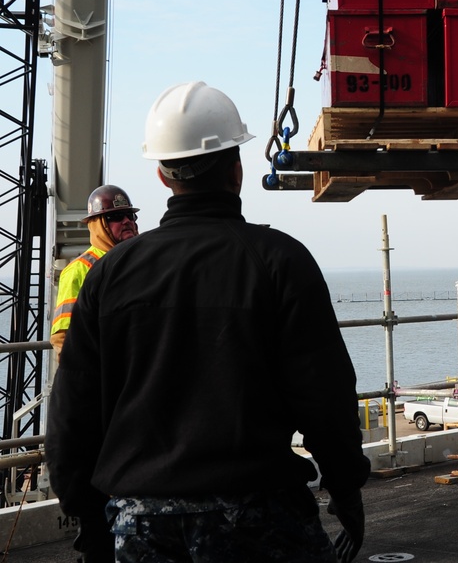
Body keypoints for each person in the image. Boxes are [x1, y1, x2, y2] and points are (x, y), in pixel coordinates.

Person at [46, 82, 370, 563]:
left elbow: (72, 413)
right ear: (237, 170)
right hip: (258, 514)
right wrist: (346, 490)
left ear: (161, 175)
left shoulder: (107, 275)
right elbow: (325, 396)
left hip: (141, 524)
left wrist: (89, 517)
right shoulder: (280, 260)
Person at [49, 185, 139, 362]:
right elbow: (63, 339)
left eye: (131, 215)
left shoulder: (143, 263)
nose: (127, 221)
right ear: (98, 225)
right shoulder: (78, 271)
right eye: (116, 217)